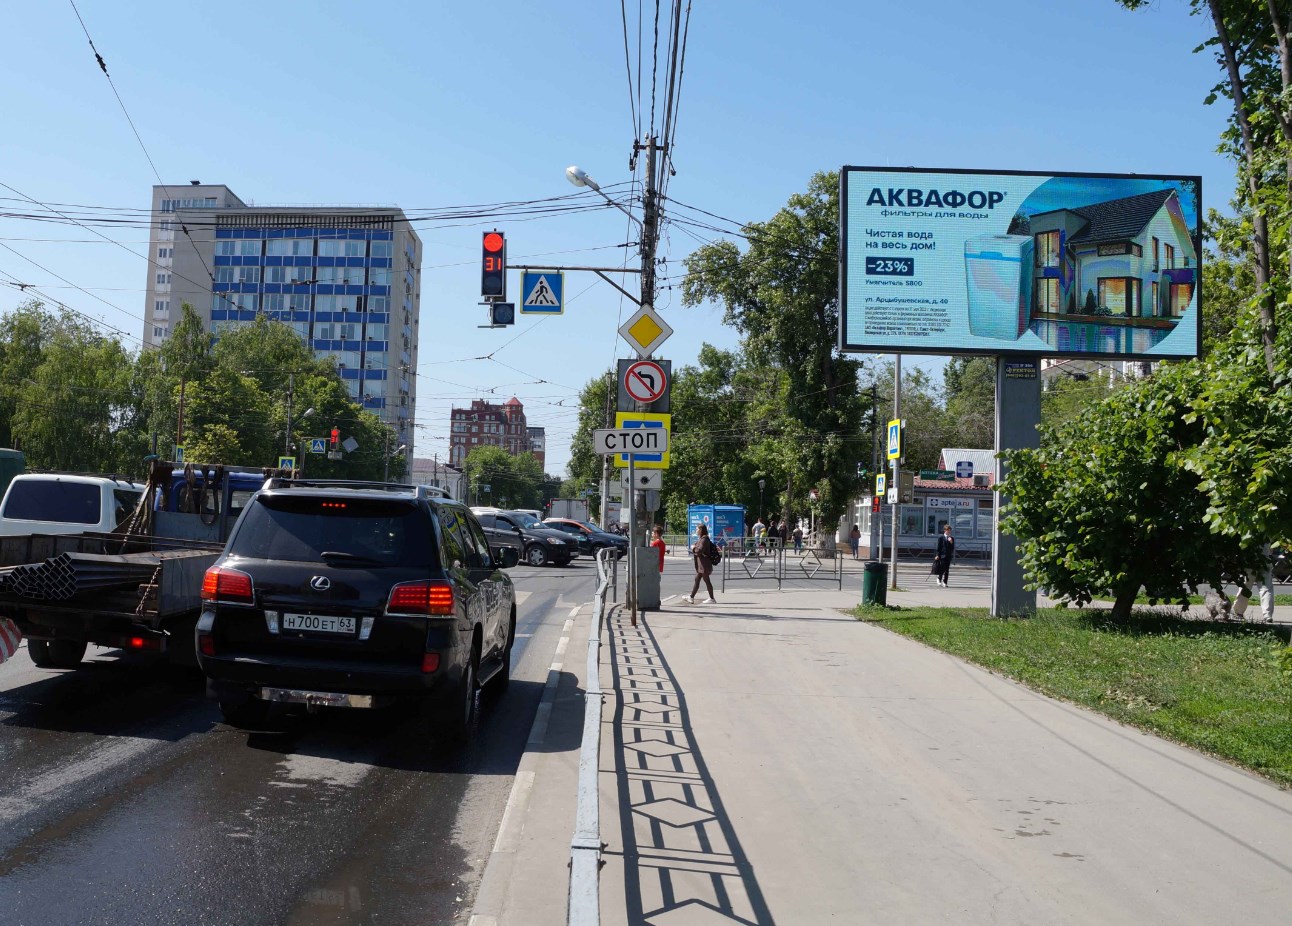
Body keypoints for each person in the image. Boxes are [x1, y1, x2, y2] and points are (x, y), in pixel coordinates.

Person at [684, 524, 717, 604]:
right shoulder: (702, 539)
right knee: (697, 580)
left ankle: (712, 599)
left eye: (697, 529)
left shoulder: (704, 539)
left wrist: (693, 548)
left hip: (704, 565)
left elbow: (699, 551)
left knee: (706, 581)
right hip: (702, 565)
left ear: (701, 530)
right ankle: (691, 597)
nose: (696, 530)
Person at [935, 523, 955, 587]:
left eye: (950, 530)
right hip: (942, 555)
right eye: (948, 530)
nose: (949, 531)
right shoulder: (941, 537)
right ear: (945, 530)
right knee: (942, 568)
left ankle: (945, 582)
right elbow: (939, 547)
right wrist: (937, 555)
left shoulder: (951, 538)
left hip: (948, 556)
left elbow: (952, 548)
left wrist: (951, 542)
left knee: (947, 569)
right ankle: (939, 578)